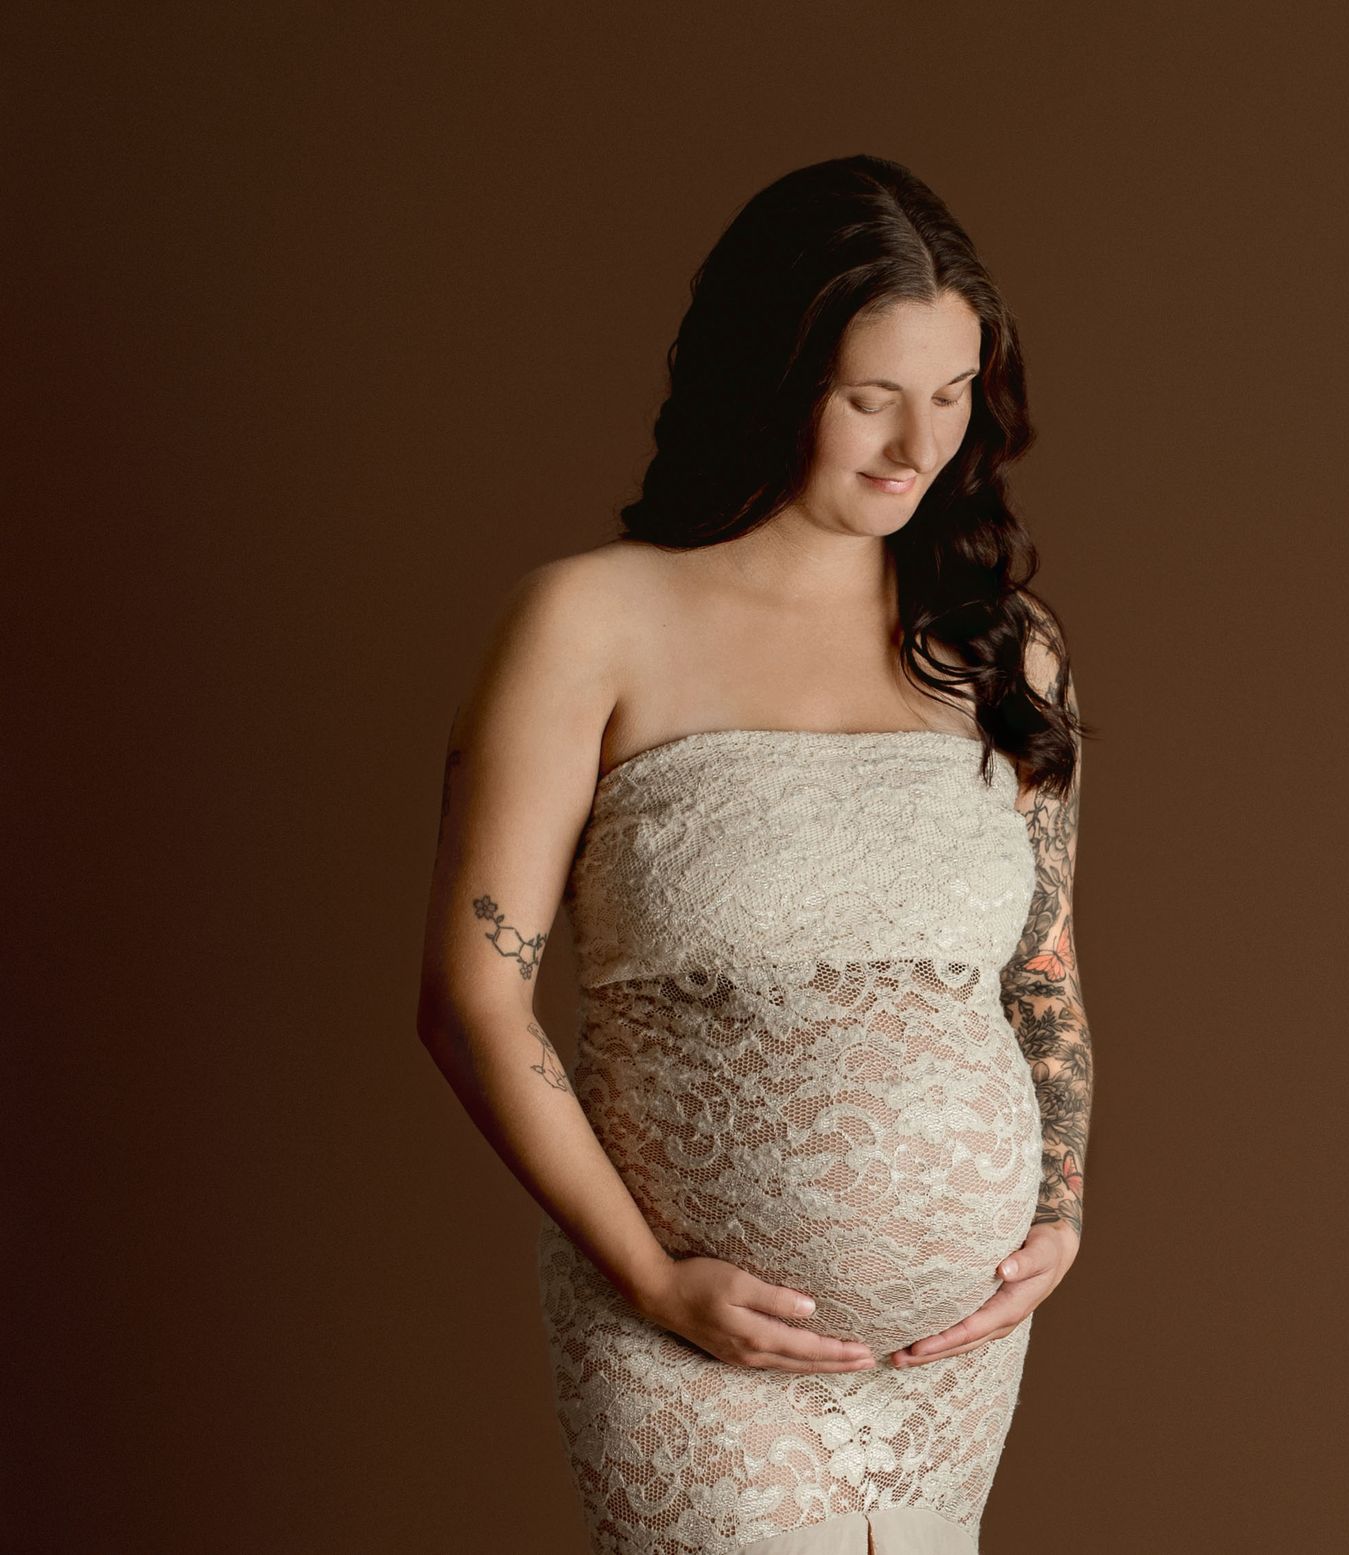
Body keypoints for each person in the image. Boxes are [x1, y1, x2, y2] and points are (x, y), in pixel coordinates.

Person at [415, 154, 1093, 1555]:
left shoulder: (1003, 652)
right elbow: (471, 1000)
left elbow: (1041, 968)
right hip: (682, 1331)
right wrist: (652, 1282)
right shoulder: (590, 624)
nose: (919, 447)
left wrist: (1061, 1213)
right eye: (870, 398)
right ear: (771, 376)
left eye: (954, 395)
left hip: (954, 1360)